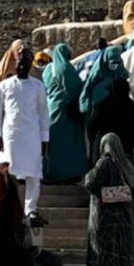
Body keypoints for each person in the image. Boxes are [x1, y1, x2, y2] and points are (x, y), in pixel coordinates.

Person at [0, 44, 50, 229]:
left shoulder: (38, 86)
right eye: (19, 62)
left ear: (30, 63)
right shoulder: (4, 86)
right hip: (11, 134)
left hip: (32, 135)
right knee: (8, 171)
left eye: (26, 62)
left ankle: (31, 209)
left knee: (34, 173)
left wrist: (45, 139)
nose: (22, 65)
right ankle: (8, 206)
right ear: (15, 63)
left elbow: (43, 113)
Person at [84, 133, 134, 266]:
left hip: (105, 221)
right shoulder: (127, 165)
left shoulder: (105, 163)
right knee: (121, 259)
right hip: (124, 222)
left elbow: (90, 183)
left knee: (104, 258)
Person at [41, 43, 88, 183]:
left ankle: (51, 174)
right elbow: (75, 88)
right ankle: (69, 174)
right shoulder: (66, 68)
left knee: (54, 144)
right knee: (68, 145)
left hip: (51, 110)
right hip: (66, 113)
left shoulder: (48, 69)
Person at [87, 76, 134, 169]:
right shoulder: (131, 107)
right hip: (125, 151)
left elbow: (91, 126)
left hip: (103, 148)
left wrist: (95, 143)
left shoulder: (102, 105)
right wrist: (129, 143)